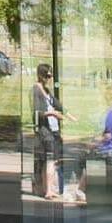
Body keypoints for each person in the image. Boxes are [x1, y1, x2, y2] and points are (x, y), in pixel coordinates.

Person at [31, 63, 63, 200]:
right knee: (50, 160)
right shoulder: (36, 90)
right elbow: (37, 112)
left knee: (51, 160)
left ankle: (48, 188)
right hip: (45, 130)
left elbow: (59, 106)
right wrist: (52, 114)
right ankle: (48, 189)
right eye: (46, 76)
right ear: (40, 75)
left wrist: (59, 111)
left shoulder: (46, 91)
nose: (48, 78)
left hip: (54, 129)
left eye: (49, 76)